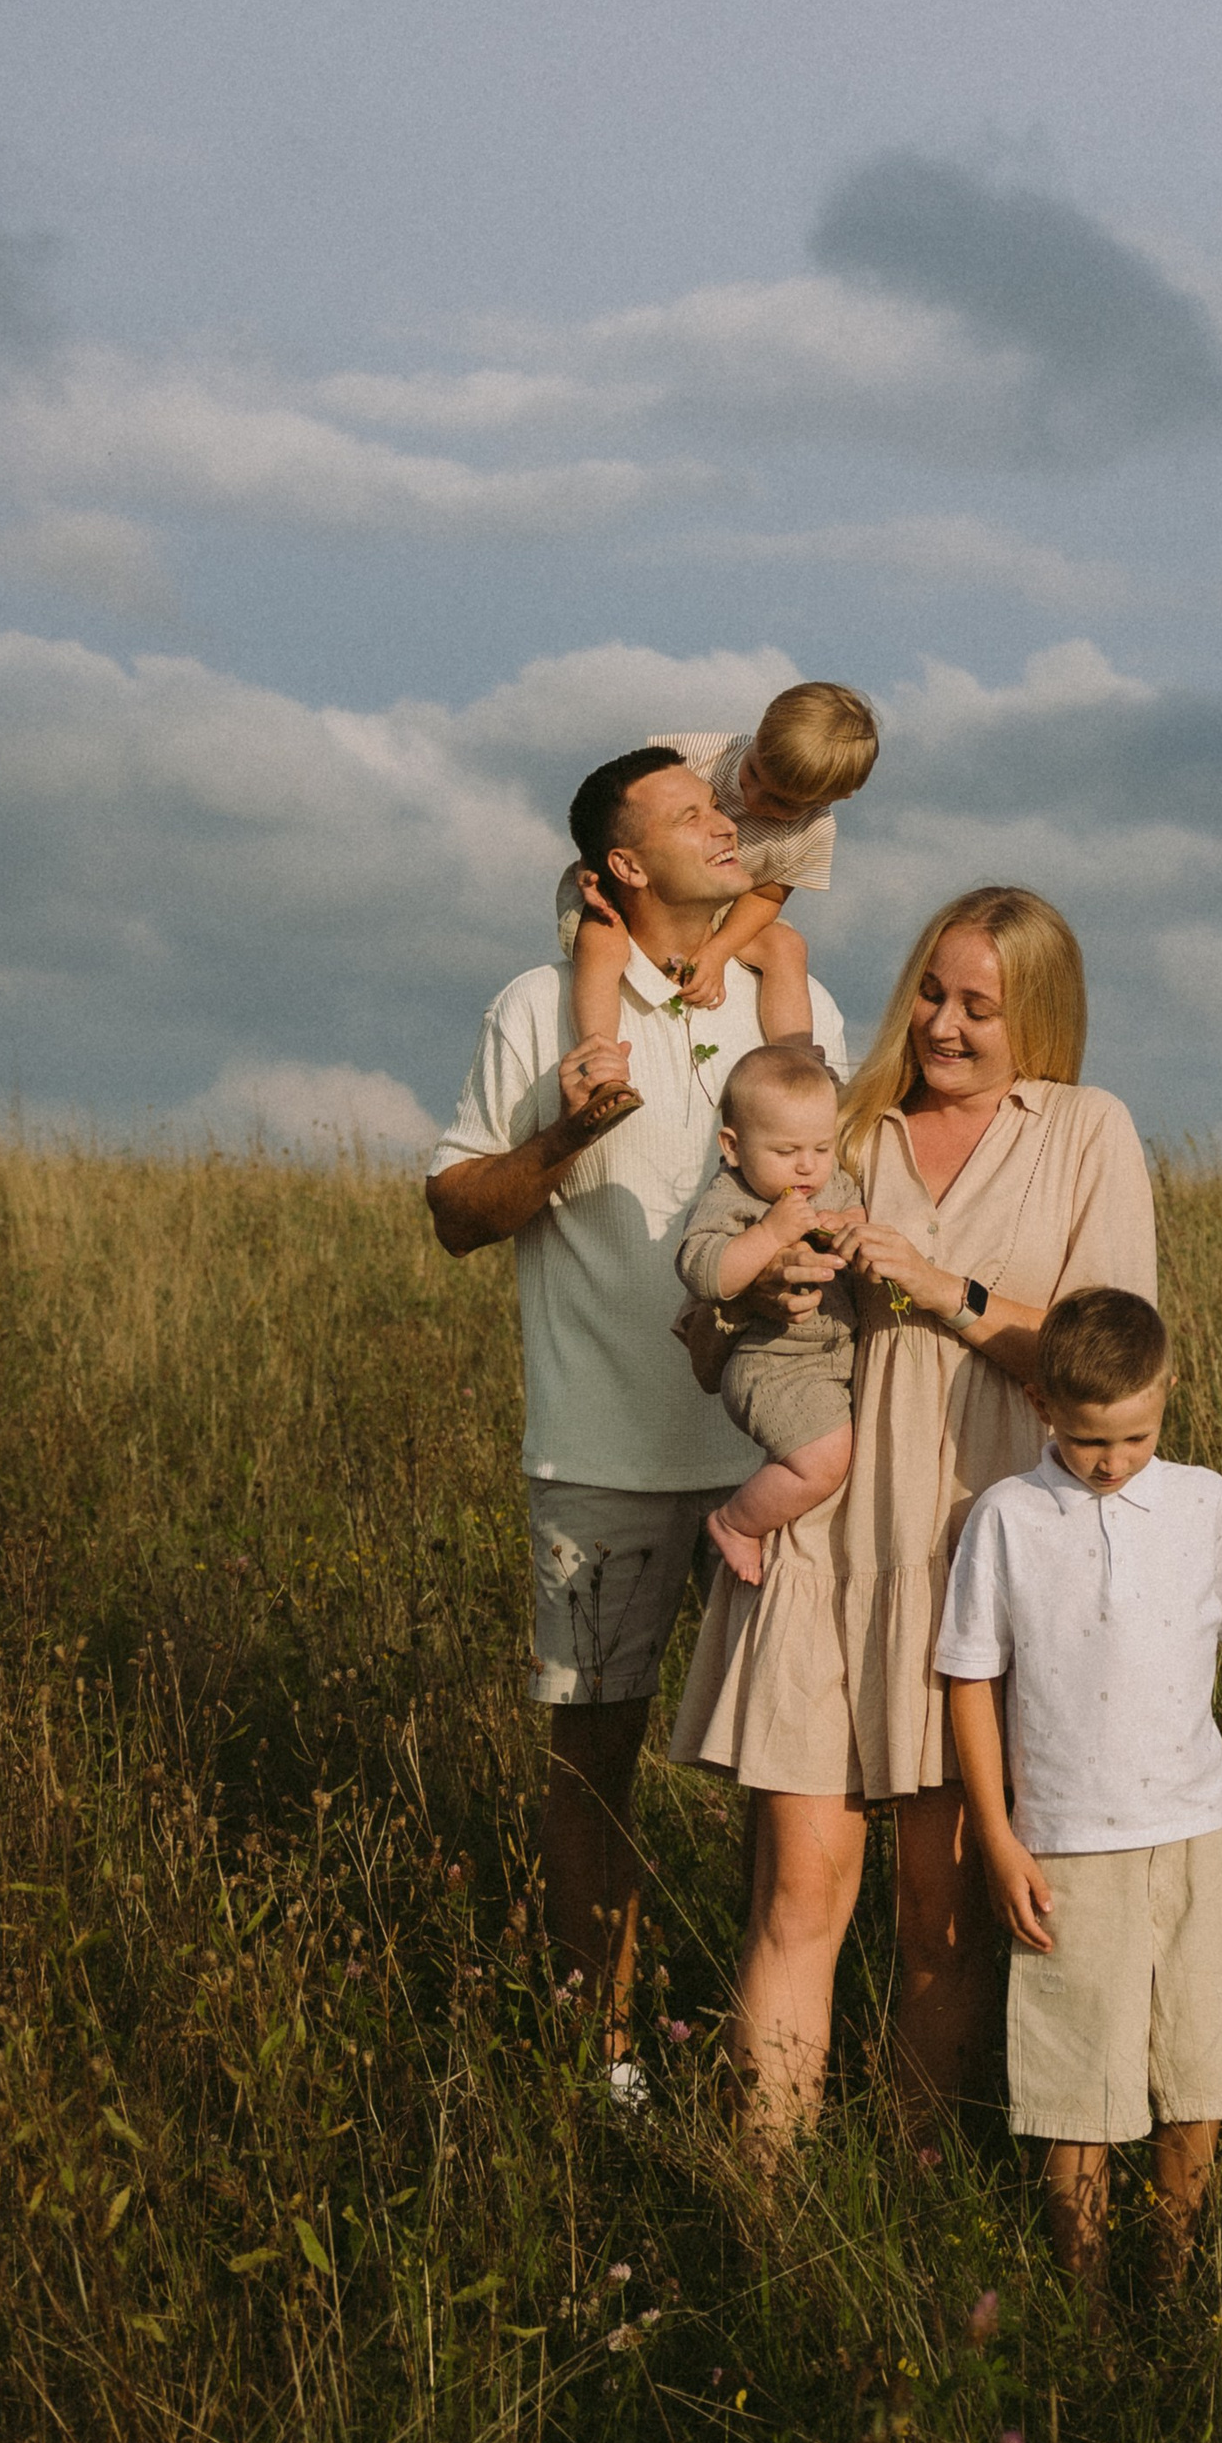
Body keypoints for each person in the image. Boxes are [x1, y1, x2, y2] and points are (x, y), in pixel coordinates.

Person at [669, 884, 1153, 2160]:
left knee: (940, 1913)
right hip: (823, 1546)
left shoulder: (1087, 1131)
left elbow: (1112, 1370)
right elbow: (700, 1330)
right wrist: (756, 1293)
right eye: (931, 993)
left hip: (980, 1561)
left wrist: (942, 1288)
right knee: (797, 1894)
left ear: (1036, 1012)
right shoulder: (843, 1128)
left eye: (978, 1006)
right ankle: (765, 2207)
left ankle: (908, 2190)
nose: (942, 1024)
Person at [426, 744, 847, 2107]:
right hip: (600, 1459)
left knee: (785, 1777)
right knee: (593, 1765)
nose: (722, 825)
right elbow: (454, 1214)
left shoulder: (796, 1008)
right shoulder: (540, 1004)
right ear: (621, 862)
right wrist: (561, 1136)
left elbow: (835, 1191)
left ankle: (762, 2058)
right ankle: (604, 2065)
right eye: (687, 814)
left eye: (720, 807)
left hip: (772, 1460)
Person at [938, 1286, 1222, 2289]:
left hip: (1201, 1834)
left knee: (1197, 2068)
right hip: (1068, 1849)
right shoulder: (1006, 1518)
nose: (1111, 1460)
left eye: (1134, 1435)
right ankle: (1080, 2301)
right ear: (1040, 1404)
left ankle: (1175, 2274)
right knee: (1076, 2083)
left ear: (1166, 1396)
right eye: (1087, 1439)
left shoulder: (1205, 1505)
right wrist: (996, 1837)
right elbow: (969, 1681)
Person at [559, 681, 876, 1086]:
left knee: (786, 946)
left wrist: (717, 952)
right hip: (628, 886)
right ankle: (600, 1057)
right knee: (601, 937)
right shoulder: (707, 754)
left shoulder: (814, 831)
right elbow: (620, 808)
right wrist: (591, 867)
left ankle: (796, 1060)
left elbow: (766, 897)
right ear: (756, 734)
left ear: (837, 797)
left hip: (731, 906)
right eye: (753, 772)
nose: (753, 799)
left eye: (781, 803)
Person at [677, 1042, 863, 1591]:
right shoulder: (731, 1198)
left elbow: (857, 1207)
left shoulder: (827, 1182)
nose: (807, 1165)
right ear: (733, 1147)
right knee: (824, 1461)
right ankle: (736, 1523)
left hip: (829, 1362)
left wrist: (850, 1222)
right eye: (786, 1151)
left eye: (821, 1147)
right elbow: (703, 1271)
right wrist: (769, 1233)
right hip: (772, 1366)